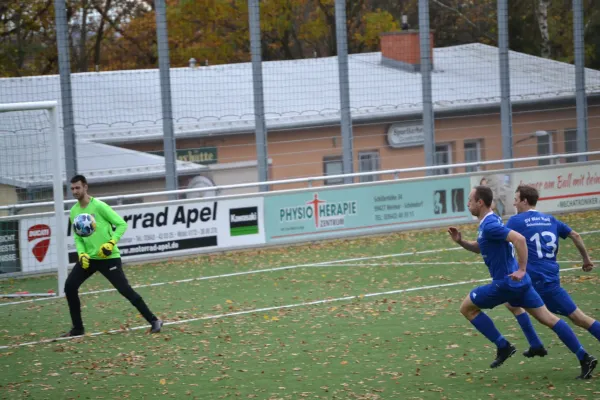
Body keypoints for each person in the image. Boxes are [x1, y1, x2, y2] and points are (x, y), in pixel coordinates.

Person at [448, 186, 596, 379]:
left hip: (506, 283)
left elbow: (519, 239)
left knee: (467, 307)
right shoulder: (492, 221)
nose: (467, 204)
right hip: (521, 284)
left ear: (480, 202)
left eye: (469, 200)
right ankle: (584, 357)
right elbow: (482, 246)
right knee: (550, 319)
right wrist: (461, 242)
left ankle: (503, 345)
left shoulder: (491, 225)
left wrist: (522, 268)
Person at [502, 185, 600, 361]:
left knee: (577, 318)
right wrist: (586, 259)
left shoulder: (516, 221)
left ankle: (583, 357)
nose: (514, 203)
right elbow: (575, 235)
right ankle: (535, 344)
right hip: (547, 278)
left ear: (524, 201)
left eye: (516, 199)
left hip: (540, 282)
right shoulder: (550, 219)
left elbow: (502, 239)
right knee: (511, 302)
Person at [61, 175, 163, 337]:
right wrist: (81, 254)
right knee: (69, 287)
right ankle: (78, 328)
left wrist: (110, 243)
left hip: (108, 258)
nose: (75, 191)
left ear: (85, 187)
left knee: (125, 290)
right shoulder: (74, 212)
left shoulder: (99, 206)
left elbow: (121, 224)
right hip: (89, 260)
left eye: (77, 188)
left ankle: (154, 320)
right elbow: (78, 237)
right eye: (72, 188)